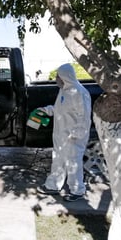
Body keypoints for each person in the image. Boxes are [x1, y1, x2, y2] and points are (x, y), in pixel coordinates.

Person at [38, 63, 92, 202]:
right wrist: (46, 110)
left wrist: (76, 134)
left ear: (65, 77)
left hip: (73, 136)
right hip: (61, 135)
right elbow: (59, 109)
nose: (56, 78)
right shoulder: (64, 90)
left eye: (58, 76)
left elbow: (84, 116)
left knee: (73, 163)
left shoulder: (79, 92)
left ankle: (77, 190)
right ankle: (53, 185)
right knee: (58, 160)